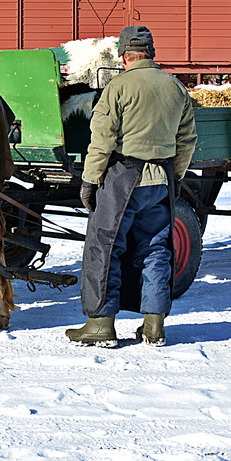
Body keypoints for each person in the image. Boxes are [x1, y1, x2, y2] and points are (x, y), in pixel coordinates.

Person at [68, 25, 198, 347]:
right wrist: (175, 176)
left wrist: (89, 179)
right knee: (156, 249)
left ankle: (100, 324)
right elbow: (187, 141)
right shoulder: (176, 88)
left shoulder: (118, 88)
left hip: (124, 178)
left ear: (124, 56)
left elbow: (102, 141)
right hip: (162, 178)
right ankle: (154, 326)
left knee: (105, 246)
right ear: (151, 53)